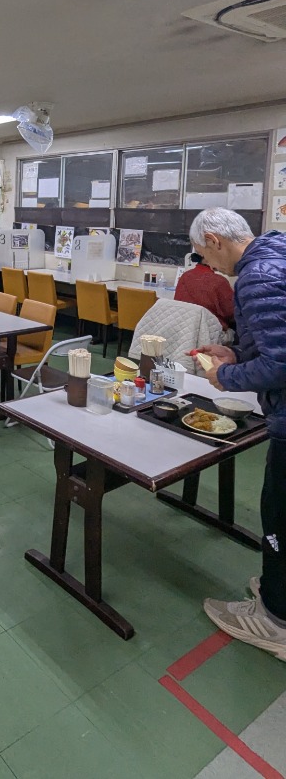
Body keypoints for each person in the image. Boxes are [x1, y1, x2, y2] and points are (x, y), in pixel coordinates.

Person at [191, 208, 286, 660]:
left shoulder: (256, 277)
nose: (208, 268)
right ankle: (278, 587)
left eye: (204, 258)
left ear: (214, 239)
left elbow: (280, 364)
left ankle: (275, 619)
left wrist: (225, 378)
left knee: (279, 514)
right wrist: (232, 351)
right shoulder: (279, 254)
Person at [174, 252, 235, 331]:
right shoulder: (219, 281)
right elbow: (231, 313)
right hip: (210, 331)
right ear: (206, 258)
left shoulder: (185, 276)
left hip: (185, 329)